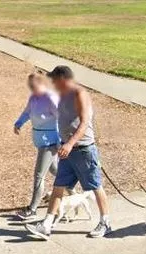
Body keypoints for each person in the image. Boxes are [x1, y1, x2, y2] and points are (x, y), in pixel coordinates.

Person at [26, 65, 112, 239]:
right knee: (58, 187)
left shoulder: (80, 94)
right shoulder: (61, 96)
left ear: (63, 79)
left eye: (54, 80)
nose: (52, 84)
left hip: (83, 150)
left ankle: (105, 222)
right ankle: (47, 224)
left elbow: (84, 122)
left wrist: (70, 143)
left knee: (95, 186)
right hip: (67, 149)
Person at [13, 72, 61, 220]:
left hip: (50, 142)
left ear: (42, 84)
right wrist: (19, 122)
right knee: (56, 171)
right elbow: (28, 112)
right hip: (39, 140)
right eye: (30, 86)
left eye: (34, 86)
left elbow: (60, 118)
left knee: (39, 175)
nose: (32, 89)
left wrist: (60, 141)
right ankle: (73, 193)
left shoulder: (51, 98)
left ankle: (32, 209)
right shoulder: (33, 98)